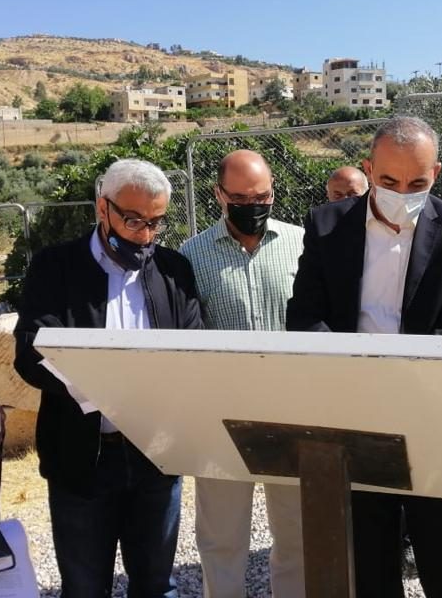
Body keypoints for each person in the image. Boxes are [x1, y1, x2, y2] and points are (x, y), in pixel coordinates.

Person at [287, 115, 442, 598]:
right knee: (370, 568)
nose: (402, 193)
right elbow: (305, 315)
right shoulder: (327, 225)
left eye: (417, 183)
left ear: (436, 173)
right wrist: (353, 378)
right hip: (353, 415)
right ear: (368, 169)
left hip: (431, 414)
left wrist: (403, 382)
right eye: (390, 181)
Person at [14, 158, 202, 598]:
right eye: (134, 220)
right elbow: (30, 354)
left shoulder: (174, 269)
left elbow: (194, 351)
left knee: (157, 586)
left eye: (156, 222)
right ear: (103, 208)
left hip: (155, 457)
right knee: (84, 588)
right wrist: (98, 386)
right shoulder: (55, 267)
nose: (145, 235)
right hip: (81, 458)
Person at [180, 149, 305, 598]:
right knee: (221, 537)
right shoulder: (191, 255)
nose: (253, 206)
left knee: (296, 533)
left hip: (291, 413)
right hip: (222, 416)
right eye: (240, 199)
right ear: (219, 195)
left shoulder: (301, 244)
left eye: (262, 197)